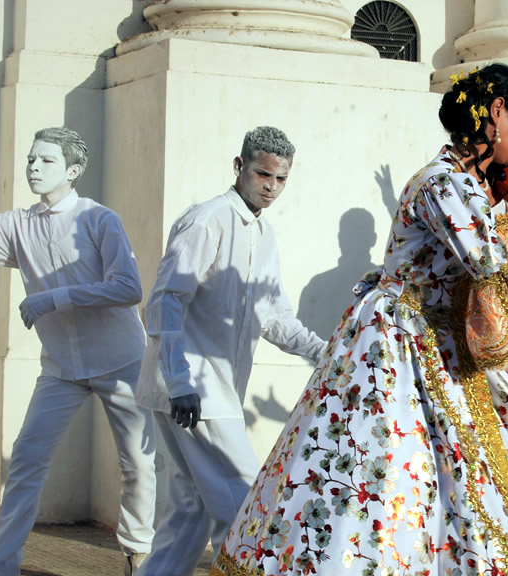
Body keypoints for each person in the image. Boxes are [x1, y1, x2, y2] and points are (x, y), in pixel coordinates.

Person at [207, 63, 508, 576]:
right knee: (387, 485)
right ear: (496, 114)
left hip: (457, 342)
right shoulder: (442, 184)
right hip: (399, 346)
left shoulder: (487, 188)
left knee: (504, 473)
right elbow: (497, 265)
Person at [0, 127, 155, 576]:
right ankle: (0, 568)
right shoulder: (17, 224)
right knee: (27, 459)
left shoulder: (99, 219)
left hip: (122, 361)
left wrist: (54, 297)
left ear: (73, 170)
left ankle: (137, 555)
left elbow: (129, 287)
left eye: (46, 161)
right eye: (31, 159)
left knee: (138, 465)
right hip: (61, 368)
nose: (33, 167)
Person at [135, 126, 327, 576]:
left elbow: (274, 318)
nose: (271, 187)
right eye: (263, 174)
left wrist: (329, 352)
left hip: (211, 394)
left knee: (189, 514)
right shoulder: (207, 220)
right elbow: (166, 299)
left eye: (281, 179)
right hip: (195, 393)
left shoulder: (264, 234)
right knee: (245, 509)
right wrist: (180, 380)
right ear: (239, 167)